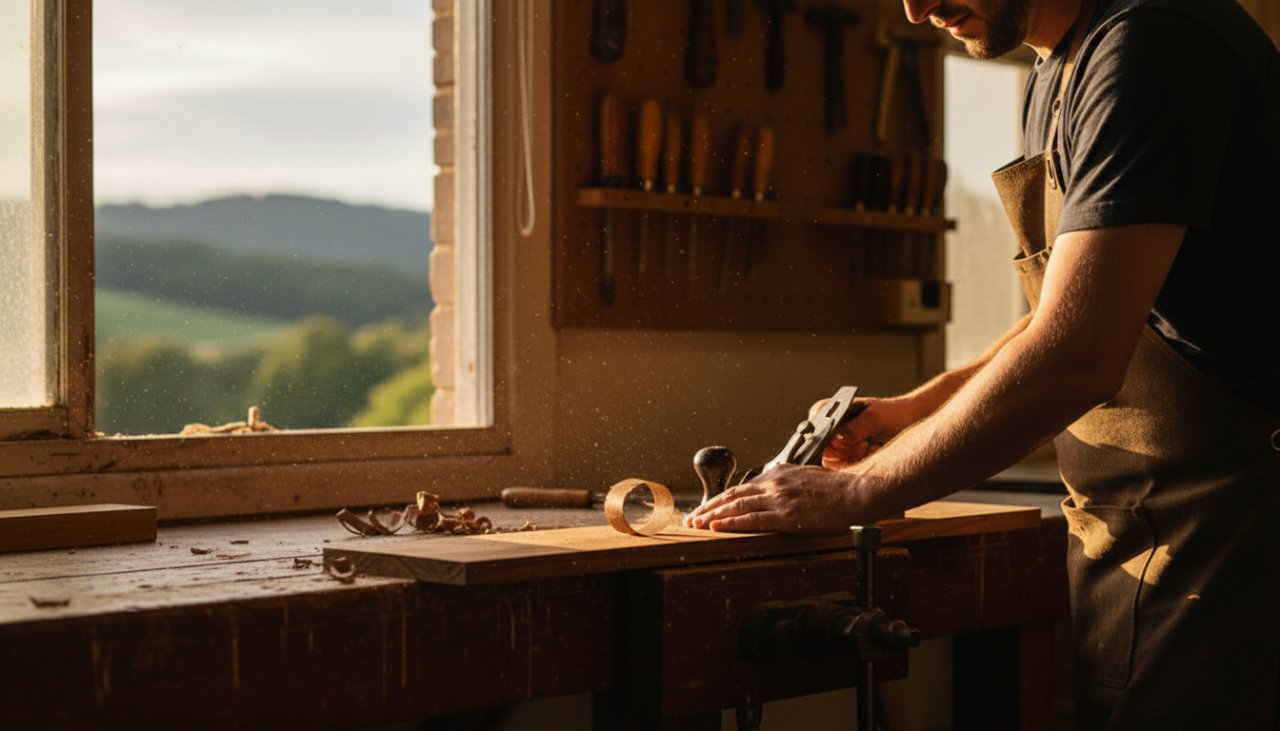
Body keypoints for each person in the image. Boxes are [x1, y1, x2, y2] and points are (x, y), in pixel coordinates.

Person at [686, 0, 1280, 726]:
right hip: (1135, 535)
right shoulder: (1053, 71)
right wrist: (911, 412)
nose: (916, 7)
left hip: (1236, 535)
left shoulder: (1155, 43)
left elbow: (1080, 353)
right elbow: (1057, 316)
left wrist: (857, 492)